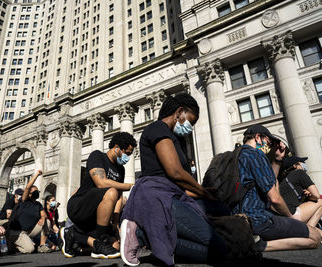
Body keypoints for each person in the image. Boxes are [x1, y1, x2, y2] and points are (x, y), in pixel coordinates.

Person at [120, 93, 226, 266]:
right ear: (179, 112)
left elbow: (179, 186)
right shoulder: (157, 128)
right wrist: (204, 192)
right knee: (220, 248)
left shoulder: (176, 139)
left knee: (220, 209)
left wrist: (205, 195)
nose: (190, 127)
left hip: (173, 195)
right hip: (155, 195)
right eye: (190, 121)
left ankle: (155, 238)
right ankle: (140, 233)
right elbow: (175, 172)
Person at [233, 124, 320, 251]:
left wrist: (278, 159)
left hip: (237, 220)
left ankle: (256, 242)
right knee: (315, 237)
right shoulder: (256, 155)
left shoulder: (235, 156)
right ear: (258, 137)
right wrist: (291, 219)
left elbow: (269, 182)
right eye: (268, 142)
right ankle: (255, 247)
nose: (268, 147)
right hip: (257, 219)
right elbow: (274, 198)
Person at [61, 132, 137, 259]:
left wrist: (116, 222)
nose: (128, 158)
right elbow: (101, 183)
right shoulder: (97, 156)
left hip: (97, 215)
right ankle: (99, 244)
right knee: (111, 190)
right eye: (127, 153)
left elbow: (119, 197)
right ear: (117, 148)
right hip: (79, 206)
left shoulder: (121, 170)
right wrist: (131, 186)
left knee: (116, 247)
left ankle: (74, 237)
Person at [8, 170, 52, 253]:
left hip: (30, 231)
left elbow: (44, 215)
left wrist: (43, 218)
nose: (36, 193)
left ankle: (42, 245)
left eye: (37, 191)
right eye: (34, 192)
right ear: (29, 194)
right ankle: (15, 246)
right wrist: (37, 175)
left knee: (47, 222)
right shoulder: (24, 201)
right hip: (18, 232)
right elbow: (28, 187)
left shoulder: (38, 204)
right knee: (30, 249)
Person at [279, 156, 322, 235]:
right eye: (302, 162)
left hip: (282, 220)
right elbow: (316, 195)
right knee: (320, 201)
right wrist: (310, 196)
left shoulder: (285, 181)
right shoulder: (299, 173)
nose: (304, 164)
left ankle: (309, 231)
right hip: (293, 215)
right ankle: (308, 232)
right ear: (295, 165)